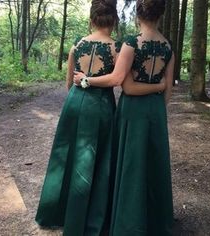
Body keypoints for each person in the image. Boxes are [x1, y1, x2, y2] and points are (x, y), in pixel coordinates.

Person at [74, 0, 175, 235]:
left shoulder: (131, 43)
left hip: (133, 110)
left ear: (138, 16)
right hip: (156, 110)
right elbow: (167, 88)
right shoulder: (168, 46)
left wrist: (152, 90)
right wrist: (158, 91)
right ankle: (153, 219)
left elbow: (127, 88)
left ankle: (127, 221)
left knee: (131, 164)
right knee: (152, 162)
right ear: (160, 15)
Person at [35, 1, 121, 235]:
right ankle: (92, 219)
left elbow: (68, 82)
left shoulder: (77, 44)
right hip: (100, 105)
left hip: (74, 103)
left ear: (92, 20)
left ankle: (58, 212)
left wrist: (82, 83)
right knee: (96, 161)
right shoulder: (117, 47)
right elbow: (117, 80)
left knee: (69, 155)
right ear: (113, 21)